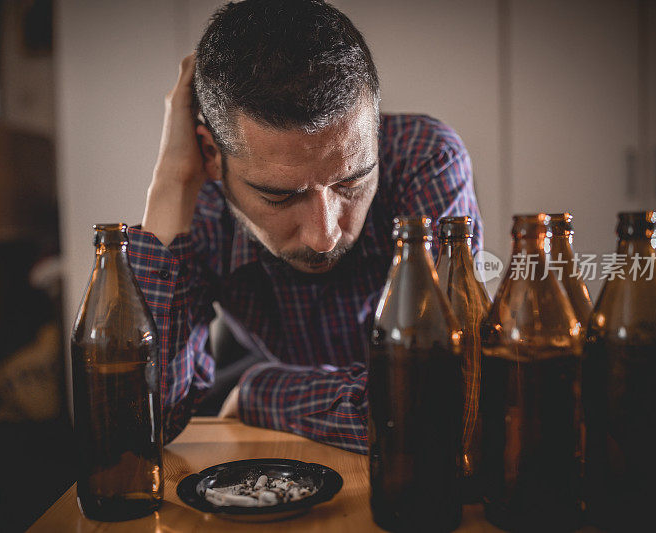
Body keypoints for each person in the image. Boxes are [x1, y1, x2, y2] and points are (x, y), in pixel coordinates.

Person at [128, 0, 482, 454]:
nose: (325, 234)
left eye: (352, 181)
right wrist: (171, 183)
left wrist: (263, 390)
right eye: (280, 195)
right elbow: (142, 427)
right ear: (212, 156)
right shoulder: (199, 208)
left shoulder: (425, 157)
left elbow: (447, 401)